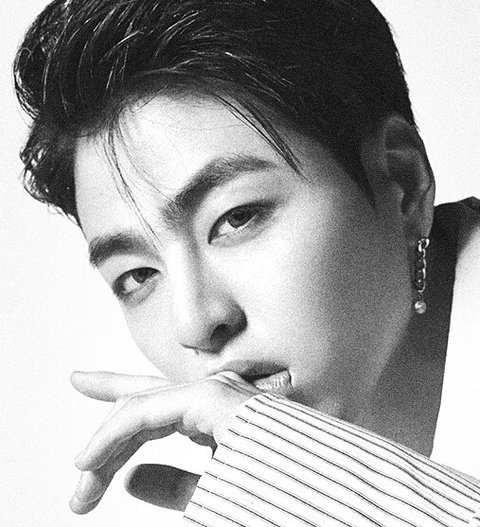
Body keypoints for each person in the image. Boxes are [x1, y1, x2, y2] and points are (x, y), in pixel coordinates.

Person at [14, 0, 480, 525]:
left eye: (237, 218)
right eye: (138, 276)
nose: (195, 324)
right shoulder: (255, 493)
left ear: (402, 183)